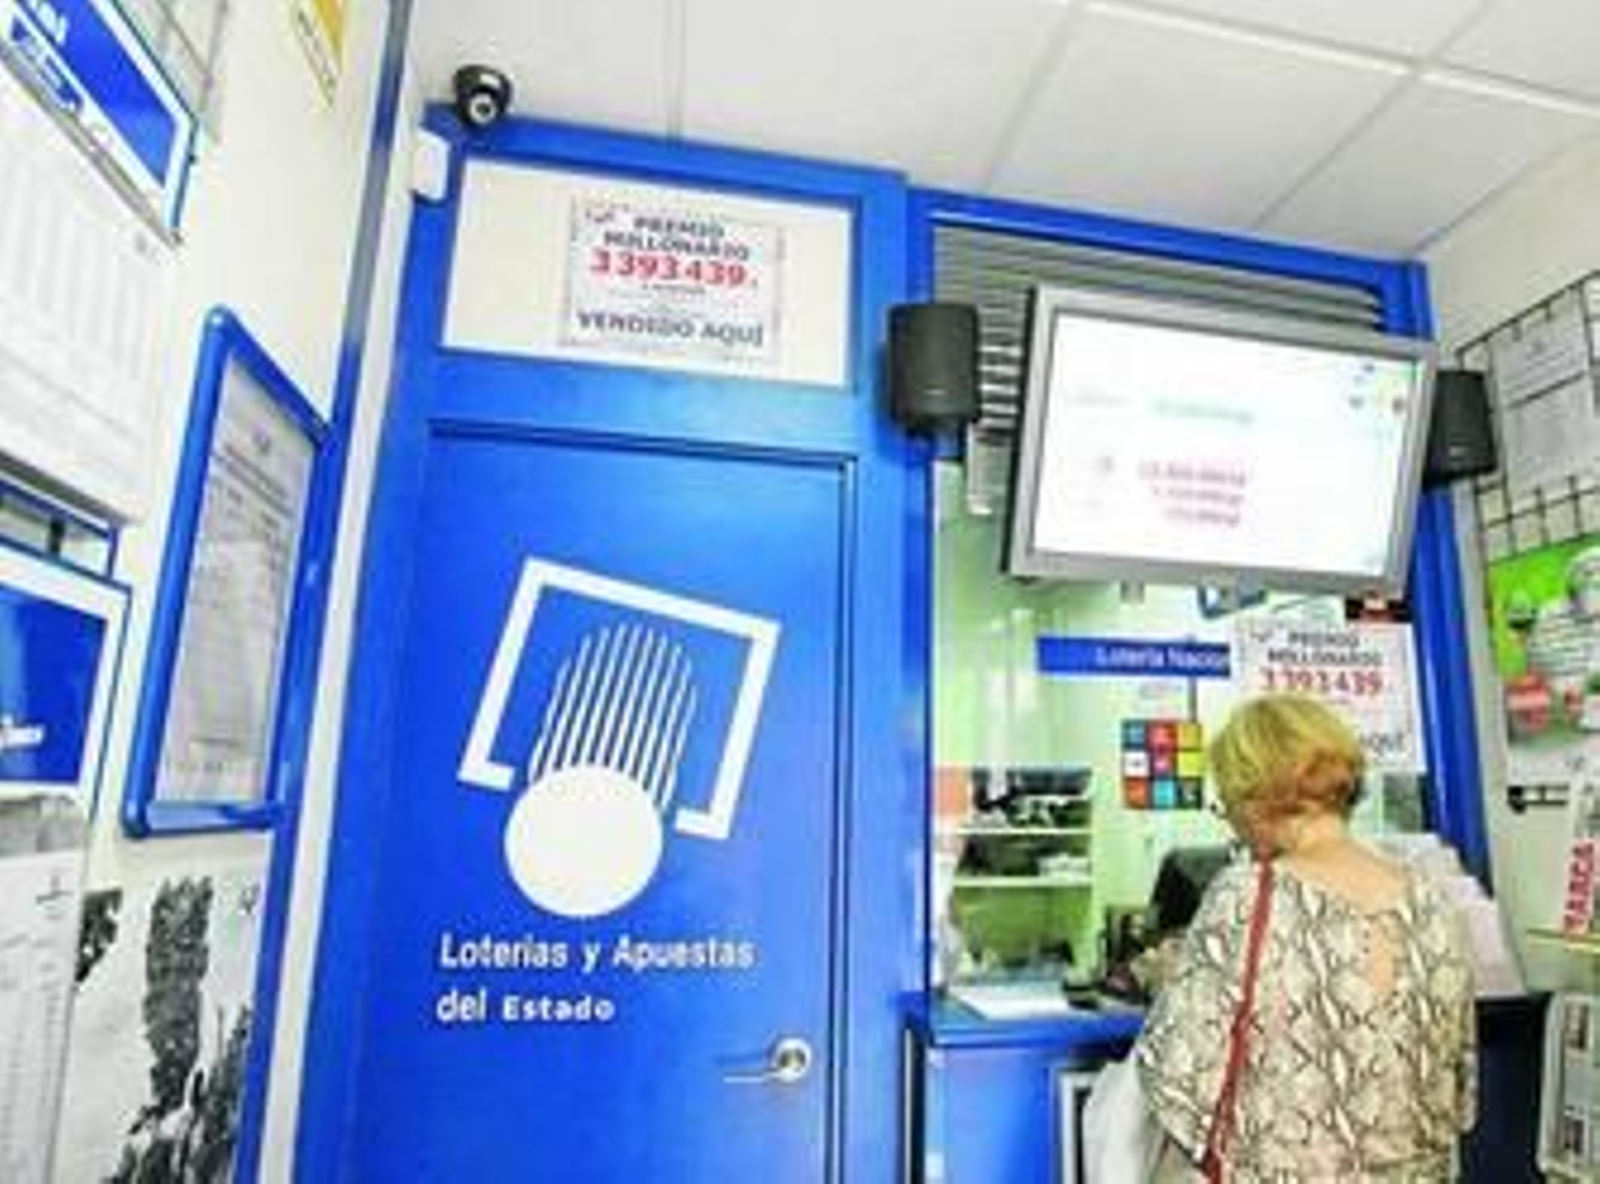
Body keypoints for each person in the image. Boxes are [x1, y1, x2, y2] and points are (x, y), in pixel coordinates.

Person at [1133, 693, 1476, 1181]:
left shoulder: (1247, 894)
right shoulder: (1430, 901)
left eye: (1225, 802)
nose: (1229, 819)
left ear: (1254, 797)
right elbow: (1457, 1092)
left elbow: (1177, 1078)